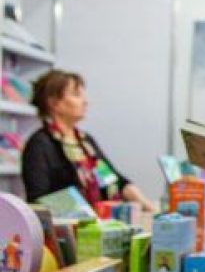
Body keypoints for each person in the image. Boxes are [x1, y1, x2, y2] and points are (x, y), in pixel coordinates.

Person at [21, 69, 157, 211]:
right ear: (54, 103)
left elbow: (114, 181)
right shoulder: (39, 145)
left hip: (100, 224)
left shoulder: (85, 142)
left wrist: (150, 208)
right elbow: (37, 200)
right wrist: (85, 211)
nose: (85, 101)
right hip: (67, 229)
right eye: (76, 95)